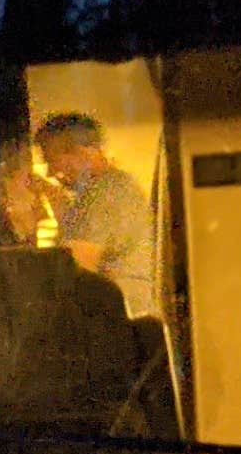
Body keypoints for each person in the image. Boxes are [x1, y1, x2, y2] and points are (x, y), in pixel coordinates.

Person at [33, 113, 159, 319]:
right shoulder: (108, 190)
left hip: (119, 318)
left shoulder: (106, 193)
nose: (49, 172)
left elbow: (77, 269)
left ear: (80, 153)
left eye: (51, 160)